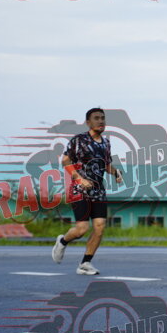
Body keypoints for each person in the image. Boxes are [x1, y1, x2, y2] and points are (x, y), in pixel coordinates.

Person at [51, 108, 123, 275]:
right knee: (82, 229)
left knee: (99, 227)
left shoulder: (106, 143)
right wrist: (79, 179)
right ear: (88, 122)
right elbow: (66, 161)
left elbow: (105, 164)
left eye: (102, 118)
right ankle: (62, 241)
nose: (101, 121)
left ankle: (85, 263)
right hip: (79, 190)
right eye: (96, 118)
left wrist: (116, 173)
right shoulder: (79, 140)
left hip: (98, 191)